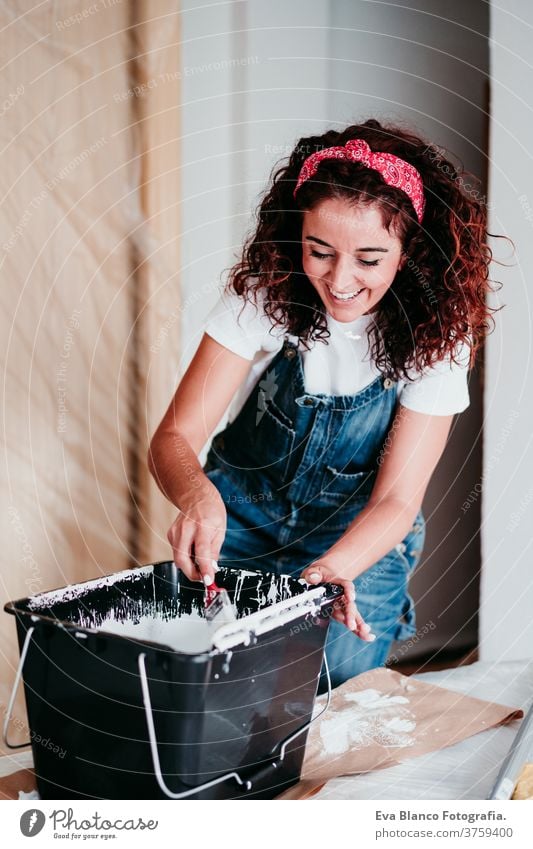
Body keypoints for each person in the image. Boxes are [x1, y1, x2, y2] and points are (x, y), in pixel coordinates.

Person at [148, 119, 497, 689]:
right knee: (206, 686)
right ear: (297, 240)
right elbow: (175, 438)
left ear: (408, 254)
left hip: (359, 535)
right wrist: (197, 498)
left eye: (369, 258)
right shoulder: (266, 293)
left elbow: (397, 499)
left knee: (335, 692)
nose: (339, 279)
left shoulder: (439, 335)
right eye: (320, 251)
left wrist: (335, 571)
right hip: (239, 516)